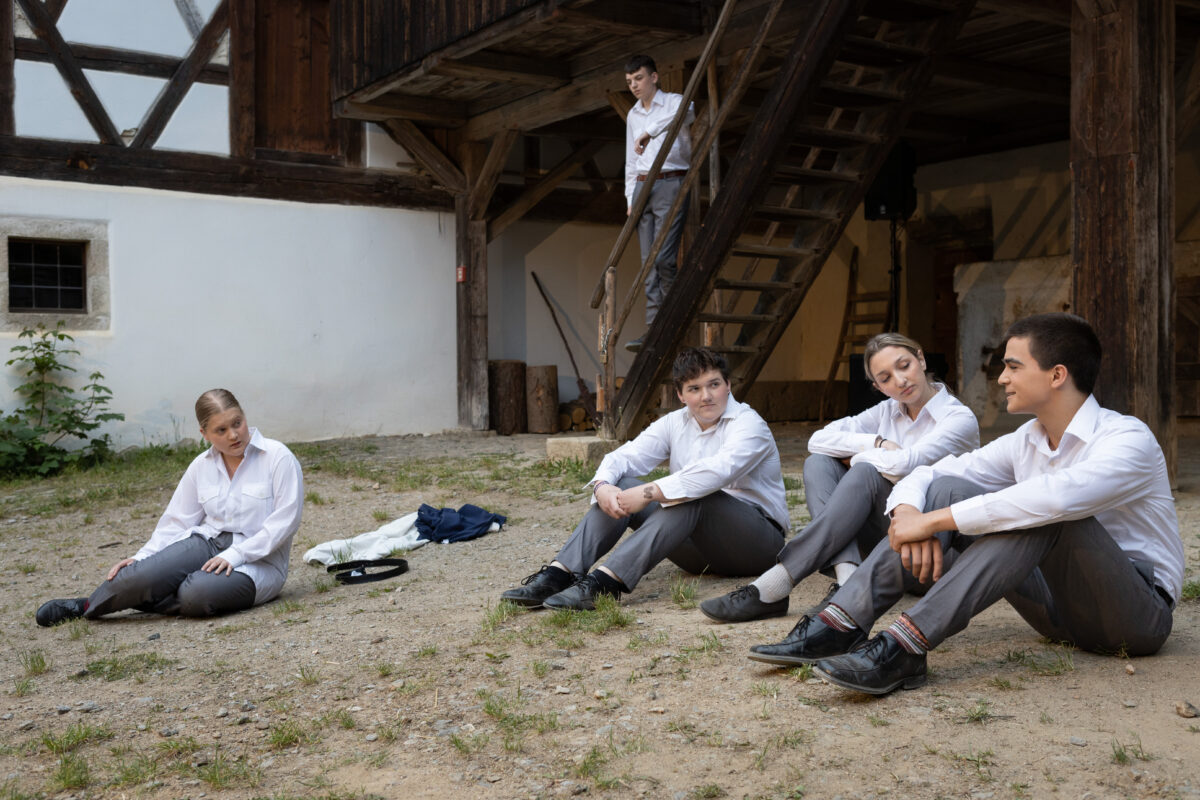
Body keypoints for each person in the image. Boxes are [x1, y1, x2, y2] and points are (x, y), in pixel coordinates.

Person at [752, 313, 1183, 696]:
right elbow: (929, 474)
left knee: (1045, 512)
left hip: (1132, 616)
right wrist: (910, 513)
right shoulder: (1025, 440)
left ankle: (906, 644)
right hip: (1053, 612)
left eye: (1013, 366)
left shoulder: (1128, 439)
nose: (1002, 378)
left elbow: (1054, 499)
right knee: (947, 488)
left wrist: (934, 523)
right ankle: (841, 623)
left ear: (1056, 375)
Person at [701, 333, 979, 628]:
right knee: (819, 463)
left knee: (865, 471)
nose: (900, 381)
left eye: (904, 365)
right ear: (878, 387)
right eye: (886, 378)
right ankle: (847, 580)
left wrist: (858, 456)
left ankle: (777, 583)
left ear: (920, 359)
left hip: (935, 556)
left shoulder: (958, 418)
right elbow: (818, 440)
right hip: (891, 541)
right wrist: (877, 443)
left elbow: (904, 463)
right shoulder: (887, 412)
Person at [500, 347, 788, 611]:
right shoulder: (675, 422)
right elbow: (624, 457)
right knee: (623, 483)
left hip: (756, 545)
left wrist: (649, 492)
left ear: (728, 385)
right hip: (697, 551)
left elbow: (716, 472)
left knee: (694, 494)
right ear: (680, 395)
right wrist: (602, 487)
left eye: (714, 384)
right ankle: (560, 573)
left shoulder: (749, 424)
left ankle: (606, 583)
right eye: (694, 388)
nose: (706, 396)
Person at [36, 389, 304, 626]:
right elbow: (177, 520)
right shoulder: (201, 466)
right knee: (136, 576)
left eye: (237, 423)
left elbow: (284, 522)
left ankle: (145, 597)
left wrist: (236, 555)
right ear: (204, 434)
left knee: (196, 594)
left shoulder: (277, 457)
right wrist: (143, 558)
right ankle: (87, 607)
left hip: (259, 561)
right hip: (208, 543)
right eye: (221, 430)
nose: (234, 435)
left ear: (244, 416)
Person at [623, 54, 694, 352]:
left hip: (670, 180)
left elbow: (686, 113)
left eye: (638, 78)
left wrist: (649, 132)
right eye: (629, 81)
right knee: (647, 262)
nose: (634, 85)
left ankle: (672, 318)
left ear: (654, 77)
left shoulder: (675, 102)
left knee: (664, 257)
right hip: (642, 185)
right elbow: (631, 160)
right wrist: (630, 197)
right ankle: (654, 327)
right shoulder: (632, 114)